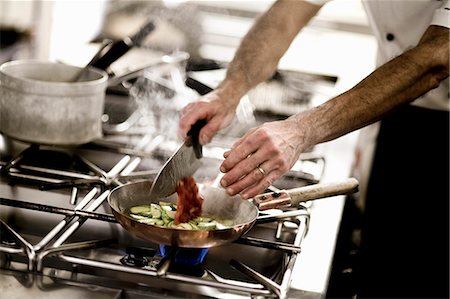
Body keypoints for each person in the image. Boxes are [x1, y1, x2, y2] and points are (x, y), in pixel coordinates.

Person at [179, 0, 449, 297]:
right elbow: (286, 15)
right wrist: (227, 92)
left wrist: (300, 130)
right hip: (399, 103)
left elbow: (437, 56)